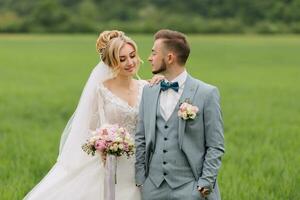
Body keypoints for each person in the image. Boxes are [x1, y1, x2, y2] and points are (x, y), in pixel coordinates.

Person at [24, 30, 162, 200]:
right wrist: (103, 146)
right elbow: (89, 128)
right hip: (111, 159)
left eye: (132, 56)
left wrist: (161, 80)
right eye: (122, 59)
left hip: (142, 160)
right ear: (112, 62)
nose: (130, 62)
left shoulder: (147, 87)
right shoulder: (101, 90)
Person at [135, 29, 225, 200]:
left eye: (154, 53)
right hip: (153, 188)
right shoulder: (149, 91)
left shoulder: (206, 93)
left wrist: (205, 183)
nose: (149, 58)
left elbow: (216, 145)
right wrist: (141, 180)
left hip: (190, 188)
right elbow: (141, 138)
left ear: (170, 58)